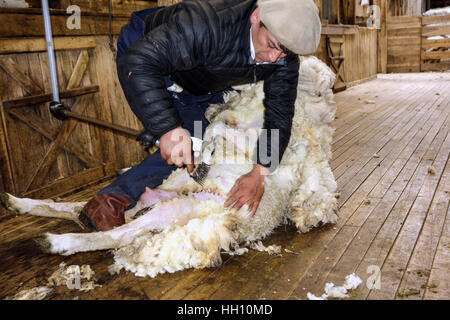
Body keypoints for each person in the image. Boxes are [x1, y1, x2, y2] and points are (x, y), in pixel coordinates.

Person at [79, 0, 321, 232]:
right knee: (182, 141)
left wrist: (259, 172)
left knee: (200, 142)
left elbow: (280, 114)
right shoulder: (207, 23)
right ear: (256, 17)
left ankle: (168, 195)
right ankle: (108, 202)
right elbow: (139, 62)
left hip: (201, 80)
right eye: (272, 45)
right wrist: (168, 128)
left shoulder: (281, 60)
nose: (272, 59)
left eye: (285, 54)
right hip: (148, 60)